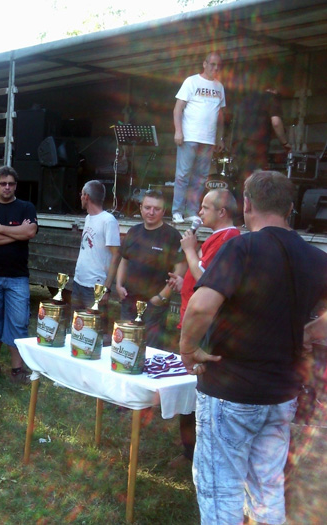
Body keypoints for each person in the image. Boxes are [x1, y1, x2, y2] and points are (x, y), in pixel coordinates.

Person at [180, 171, 327, 524]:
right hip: (282, 394)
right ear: (290, 208)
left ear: (246, 205)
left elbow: (200, 307)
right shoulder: (316, 257)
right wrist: (310, 332)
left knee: (222, 490)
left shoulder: (241, 247)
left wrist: (188, 350)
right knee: (267, 487)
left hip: (230, 390)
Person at [166, 188, 239, 464]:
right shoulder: (217, 237)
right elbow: (200, 276)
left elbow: (206, 280)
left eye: (205, 207)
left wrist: (188, 250)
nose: (199, 212)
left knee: (199, 386)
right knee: (192, 384)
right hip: (193, 320)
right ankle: (189, 449)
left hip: (206, 327)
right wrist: (182, 281)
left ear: (222, 212)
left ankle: (194, 452)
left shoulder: (228, 238)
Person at [0, 166, 38, 384]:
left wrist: (0, 229)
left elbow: (30, 232)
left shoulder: (26, 207)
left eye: (11, 183)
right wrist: (17, 234)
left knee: (18, 322)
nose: (7, 187)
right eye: (3, 183)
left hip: (17, 276)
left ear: (16, 186)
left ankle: (17, 369)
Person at [116, 189, 186, 350]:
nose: (151, 212)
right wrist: (118, 285)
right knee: (125, 347)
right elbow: (124, 261)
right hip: (129, 301)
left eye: (157, 209)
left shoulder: (172, 236)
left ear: (164, 211)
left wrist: (161, 297)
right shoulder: (133, 232)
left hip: (154, 306)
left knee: (150, 351)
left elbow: (181, 267)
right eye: (147, 207)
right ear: (141, 208)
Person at [172, 51, 226, 224]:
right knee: (183, 175)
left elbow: (220, 115)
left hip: (208, 139)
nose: (215, 68)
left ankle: (191, 211)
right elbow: (178, 108)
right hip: (190, 136)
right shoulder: (191, 81)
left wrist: (220, 138)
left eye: (218, 65)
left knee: (201, 177)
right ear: (204, 64)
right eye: (212, 64)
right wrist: (178, 131)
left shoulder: (219, 87)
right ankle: (177, 211)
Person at [71, 180, 121, 339]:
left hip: (95, 288)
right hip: (79, 282)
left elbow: (116, 256)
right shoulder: (88, 218)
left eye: (81, 194)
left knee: (96, 333)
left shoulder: (108, 220)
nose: (80, 197)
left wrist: (106, 289)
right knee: (78, 329)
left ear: (86, 196)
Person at [233, 86, 292, 188]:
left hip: (239, 143)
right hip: (257, 145)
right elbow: (276, 122)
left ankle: (243, 197)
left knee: (242, 178)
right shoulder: (271, 98)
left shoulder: (247, 99)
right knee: (257, 179)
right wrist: (285, 143)